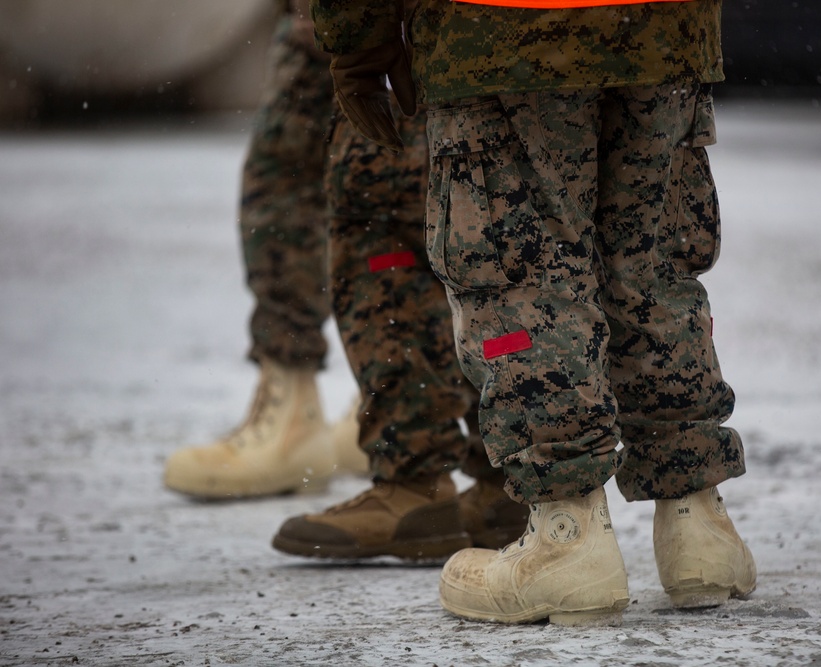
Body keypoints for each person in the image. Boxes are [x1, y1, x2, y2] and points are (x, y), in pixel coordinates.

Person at [311, 0, 757, 623]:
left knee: (521, 281)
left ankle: (567, 535)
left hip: (502, 28)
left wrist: (356, 35)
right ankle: (695, 524)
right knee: (648, 266)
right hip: (663, 30)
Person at [164, 0, 528, 558]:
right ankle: (509, 477)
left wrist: (353, 25)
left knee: (383, 227)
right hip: (505, 33)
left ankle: (416, 482)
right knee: (487, 218)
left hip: (401, 29)